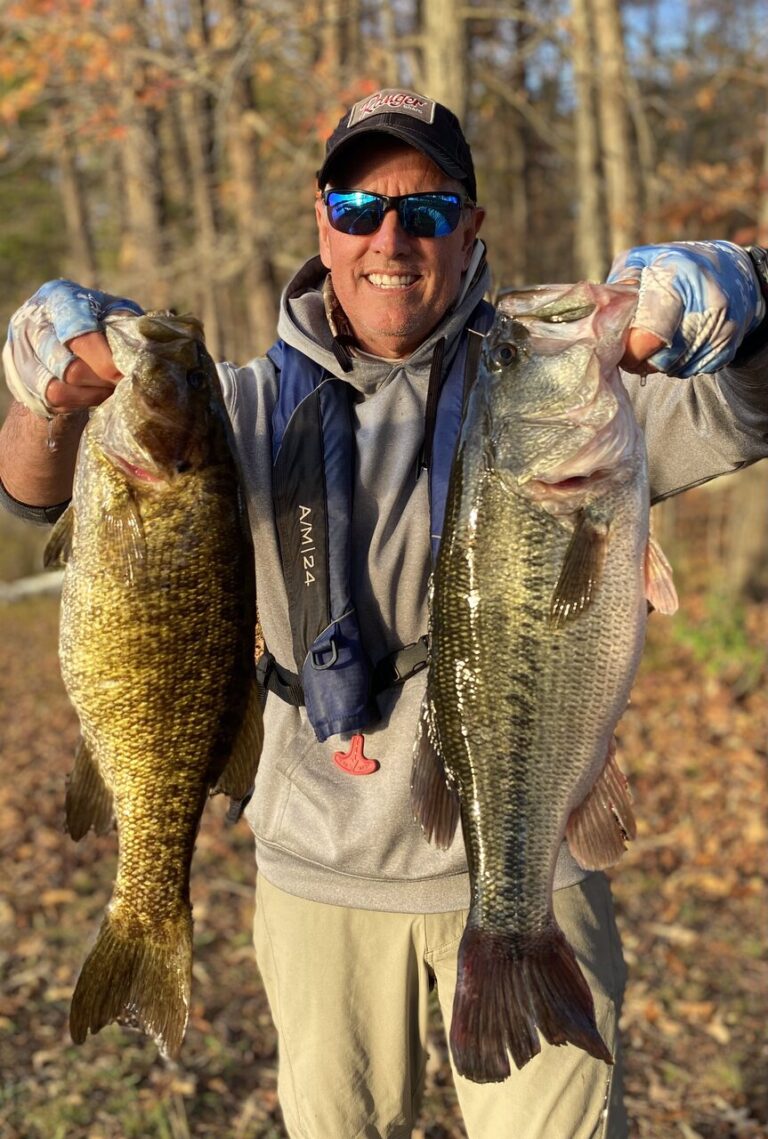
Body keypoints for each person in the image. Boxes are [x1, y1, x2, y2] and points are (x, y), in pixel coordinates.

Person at [2, 88, 767, 1139]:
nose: (391, 240)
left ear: (472, 228)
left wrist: (743, 290)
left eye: (429, 210)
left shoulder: (567, 389)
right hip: (316, 871)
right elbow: (34, 491)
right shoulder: (236, 412)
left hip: (532, 856)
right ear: (323, 223)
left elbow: (747, 404)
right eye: (359, 208)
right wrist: (45, 390)